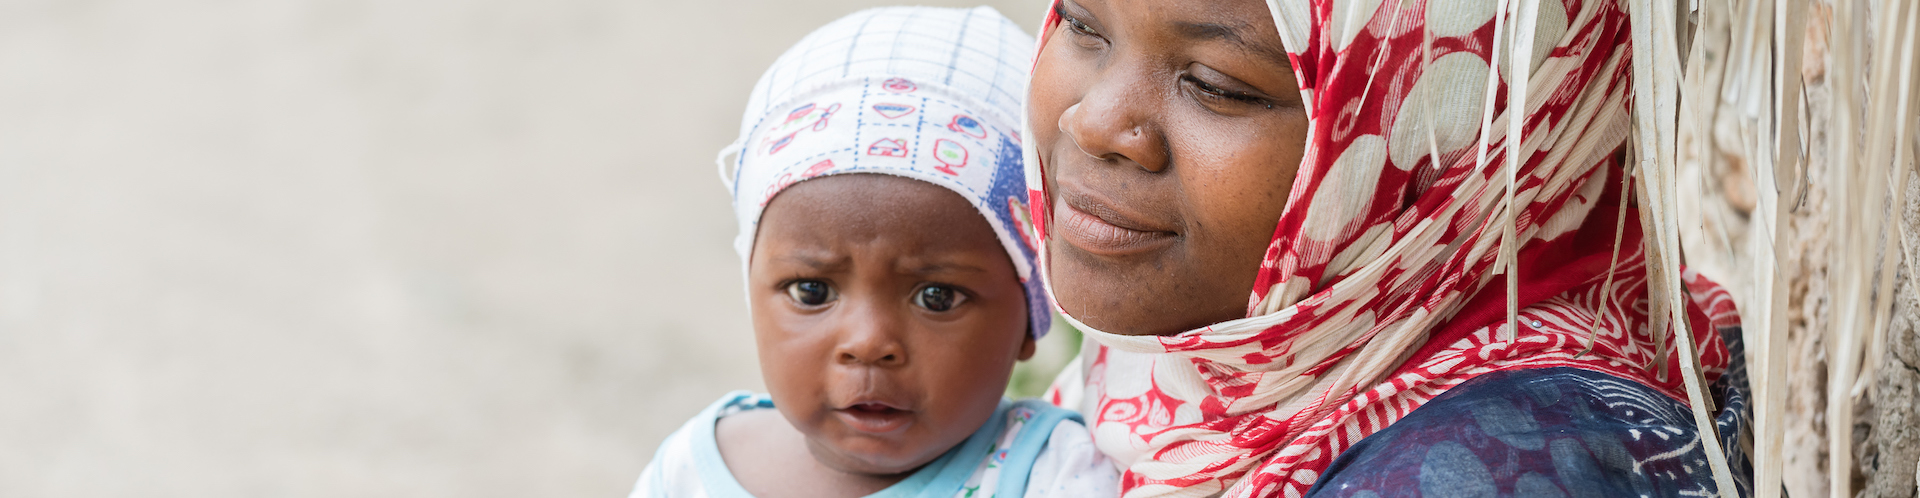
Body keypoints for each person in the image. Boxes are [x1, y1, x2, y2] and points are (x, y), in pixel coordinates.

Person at [1022, 0, 1753, 496]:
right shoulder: (1196, 373)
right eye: (1085, 24)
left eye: (1218, 86)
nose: (1095, 120)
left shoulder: (1484, 471)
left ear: (1456, 146)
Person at [631, 7, 1117, 498]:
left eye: (937, 297)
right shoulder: (689, 468)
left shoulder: (1055, 475)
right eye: (812, 290)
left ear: (1030, 317)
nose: (868, 343)